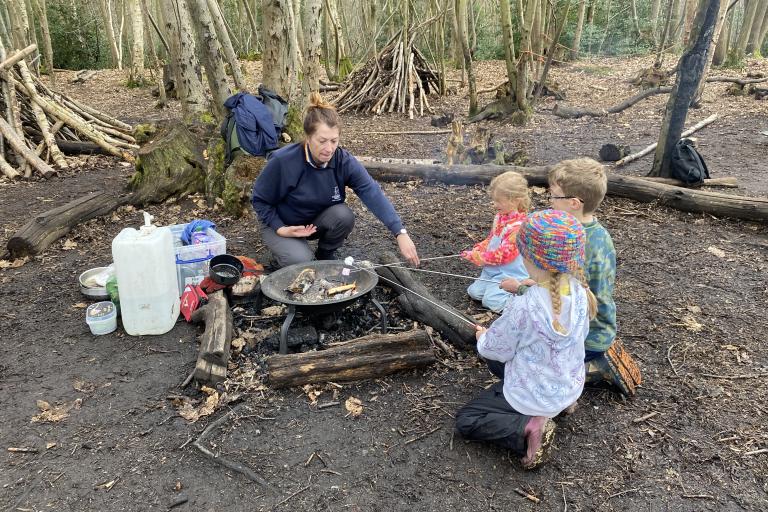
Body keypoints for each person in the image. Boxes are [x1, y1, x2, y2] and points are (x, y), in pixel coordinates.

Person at [455, 210, 597, 469]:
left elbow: (495, 350)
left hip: (536, 395)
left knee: (466, 420)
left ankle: (529, 426)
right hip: (569, 383)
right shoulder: (581, 291)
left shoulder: (524, 307)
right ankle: (565, 405)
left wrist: (482, 337)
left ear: (528, 256)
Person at [502, 157, 640, 397]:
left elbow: (562, 299)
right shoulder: (598, 233)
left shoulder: (575, 246)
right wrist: (537, 282)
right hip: (603, 325)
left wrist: (521, 289)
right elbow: (568, 284)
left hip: (586, 337)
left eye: (554, 196)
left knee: (516, 357)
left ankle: (585, 370)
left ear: (574, 203)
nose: (550, 201)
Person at [251, 92, 420, 268]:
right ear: (308, 138)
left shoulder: (342, 161)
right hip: (281, 223)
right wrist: (280, 228)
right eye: (322, 141)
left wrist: (400, 232)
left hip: (314, 221)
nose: (329, 149)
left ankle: (324, 256)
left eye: (334, 141)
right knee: (300, 262)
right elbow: (259, 200)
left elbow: (371, 191)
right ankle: (289, 256)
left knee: (343, 216)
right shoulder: (283, 161)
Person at [460, 171, 530, 313]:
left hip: (510, 274)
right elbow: (491, 239)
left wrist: (480, 258)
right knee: (474, 293)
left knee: (491, 301)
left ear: (515, 200)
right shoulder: (500, 217)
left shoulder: (519, 227)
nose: (494, 204)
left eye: (499, 200)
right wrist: (479, 248)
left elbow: (504, 255)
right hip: (491, 271)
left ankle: (522, 304)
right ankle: (495, 289)